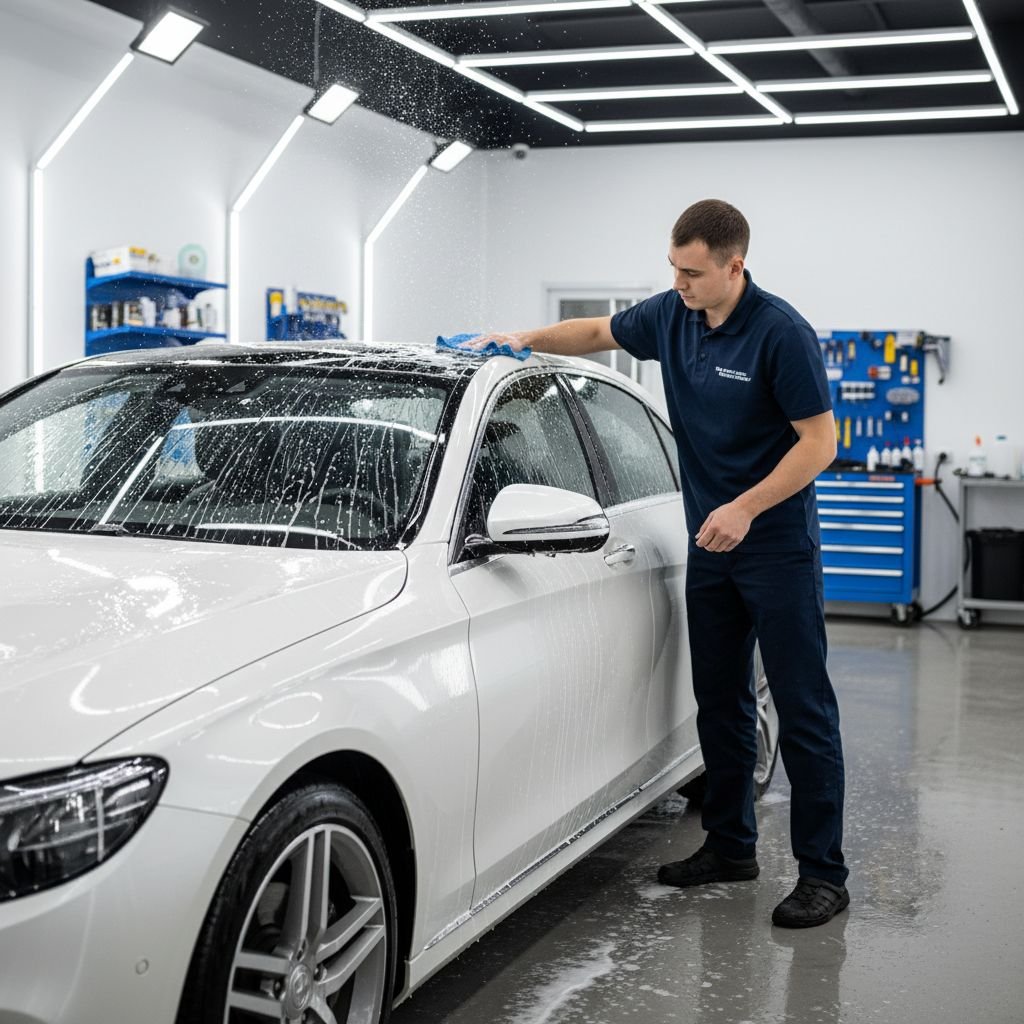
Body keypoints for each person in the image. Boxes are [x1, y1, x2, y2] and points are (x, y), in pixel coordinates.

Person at [472, 199, 849, 928]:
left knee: (803, 711)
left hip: (773, 549)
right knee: (721, 700)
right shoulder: (673, 314)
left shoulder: (781, 335)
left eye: (692, 273)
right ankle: (731, 846)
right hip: (711, 547)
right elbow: (593, 331)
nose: (678, 284)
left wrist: (744, 507)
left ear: (734, 266)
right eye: (672, 270)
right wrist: (518, 339)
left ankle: (824, 874)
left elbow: (819, 444)